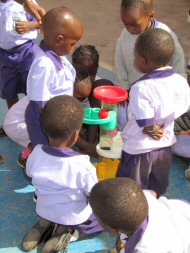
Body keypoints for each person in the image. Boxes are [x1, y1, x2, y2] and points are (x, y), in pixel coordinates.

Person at [3, 6, 84, 167]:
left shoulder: (57, 54)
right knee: (45, 157)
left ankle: (32, 154)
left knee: (46, 151)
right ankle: (39, 186)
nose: (73, 48)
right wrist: (58, 125)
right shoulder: (44, 65)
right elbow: (40, 103)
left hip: (53, 116)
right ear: (59, 39)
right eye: (72, 44)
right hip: (46, 122)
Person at [22, 95, 103, 253]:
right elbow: (94, 194)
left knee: (49, 195)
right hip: (72, 216)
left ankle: (47, 222)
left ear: (44, 129)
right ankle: (68, 232)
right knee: (99, 216)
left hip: (44, 207)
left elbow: (29, 176)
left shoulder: (36, 153)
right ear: (75, 135)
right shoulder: (83, 166)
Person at [116, 28, 190, 197]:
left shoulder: (141, 87)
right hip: (165, 146)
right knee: (156, 186)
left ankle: (133, 219)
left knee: (131, 189)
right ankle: (153, 210)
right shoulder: (180, 81)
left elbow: (145, 120)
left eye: (135, 57)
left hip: (140, 149)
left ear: (143, 60)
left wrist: (150, 127)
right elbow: (183, 107)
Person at [89, 177, 190, 253]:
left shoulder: (144, 249)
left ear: (114, 230)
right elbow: (152, 193)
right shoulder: (143, 197)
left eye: (96, 216)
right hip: (182, 213)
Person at [115, 0, 185, 90]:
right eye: (125, 24)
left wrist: (178, 86)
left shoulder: (165, 35)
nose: (129, 29)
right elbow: (119, 61)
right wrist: (123, 87)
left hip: (161, 90)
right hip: (134, 88)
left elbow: (178, 61)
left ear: (150, 16)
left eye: (134, 25)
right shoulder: (125, 35)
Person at [72, 45, 114, 156]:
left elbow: (97, 113)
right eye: (83, 74)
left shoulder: (98, 87)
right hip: (69, 121)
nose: (88, 78)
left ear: (97, 68)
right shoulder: (67, 86)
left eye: (92, 73)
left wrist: (90, 144)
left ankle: (95, 140)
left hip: (87, 121)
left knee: (104, 88)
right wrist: (88, 147)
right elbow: (64, 125)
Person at [0, 0, 39, 109]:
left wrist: (29, 25)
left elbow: (42, 21)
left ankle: (33, 117)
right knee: (8, 91)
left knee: (32, 87)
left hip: (27, 50)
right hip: (4, 54)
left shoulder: (26, 3)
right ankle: (12, 121)